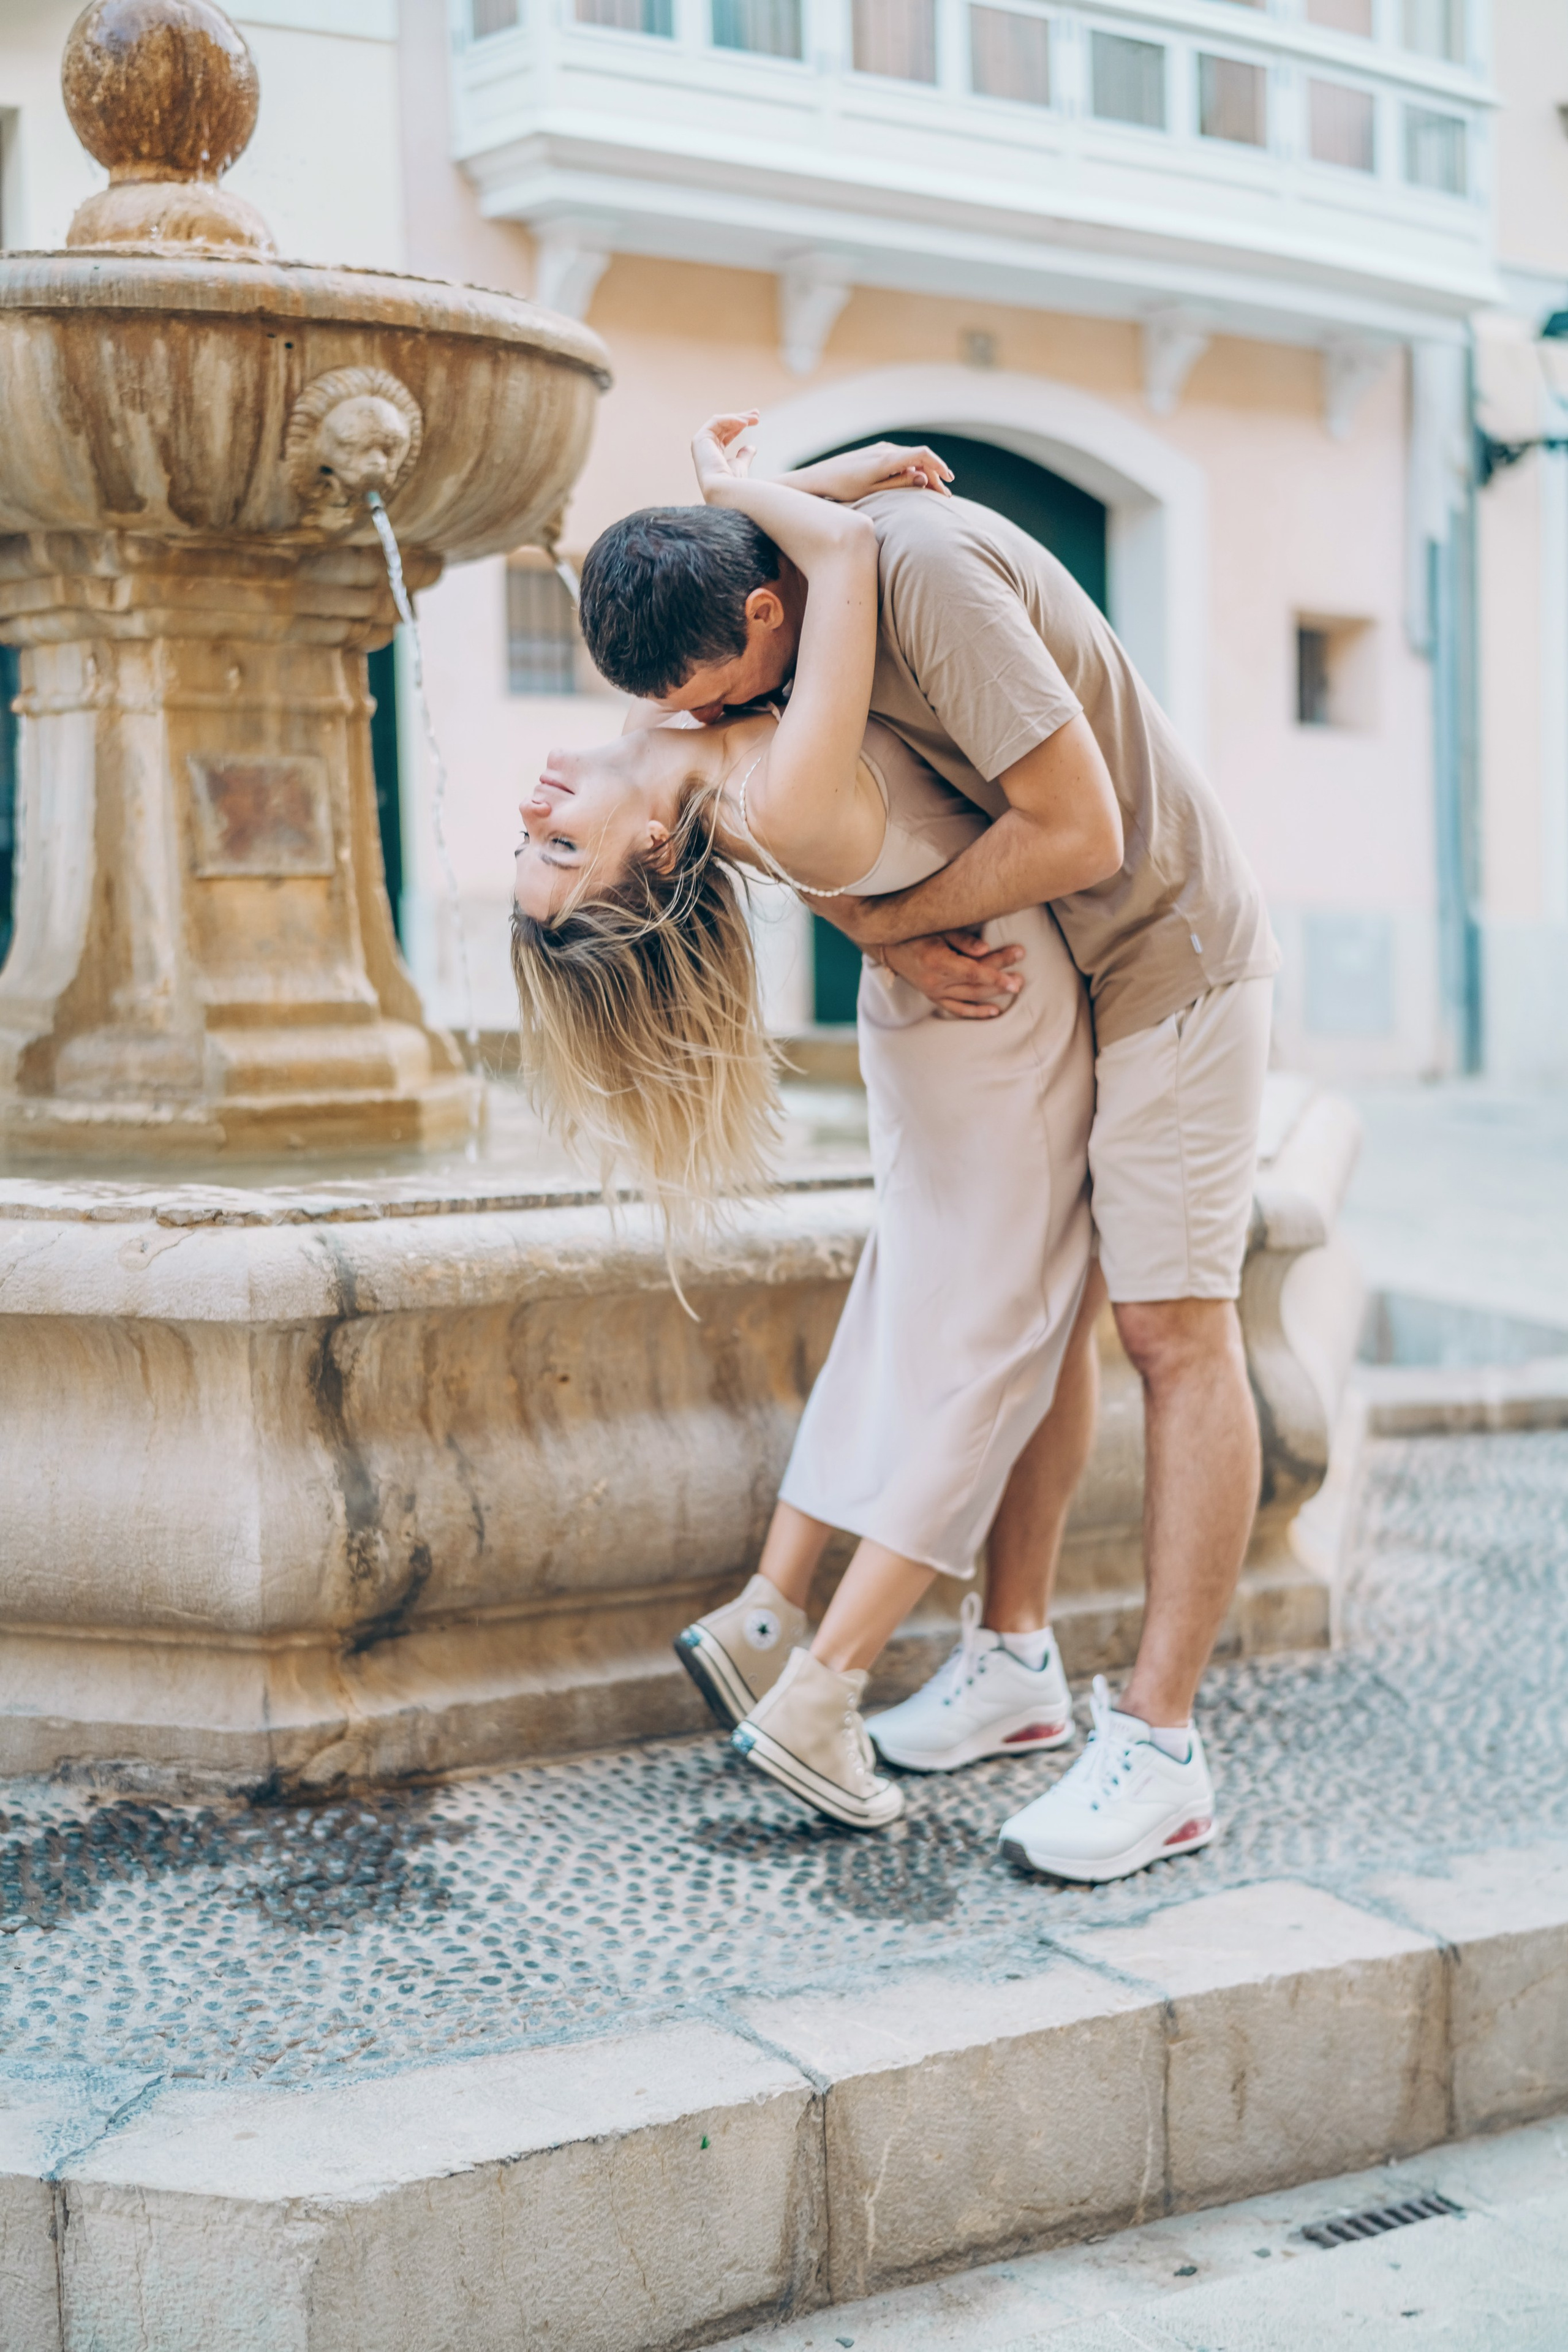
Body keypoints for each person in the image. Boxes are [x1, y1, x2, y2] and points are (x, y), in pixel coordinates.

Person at [578, 420, 1280, 1887]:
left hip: (1165, 960)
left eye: (704, 698)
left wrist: (889, 929)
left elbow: (1080, 830)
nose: (702, 724)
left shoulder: (927, 578)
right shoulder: (796, 591)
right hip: (1067, 984)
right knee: (1060, 1313)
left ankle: (1159, 1745)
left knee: (1170, 1331)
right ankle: (1011, 1662)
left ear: (759, 615)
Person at [513, 418, 1102, 1834]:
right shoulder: (755, 783)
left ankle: (772, 1611)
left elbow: (739, 589)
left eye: (530, 846)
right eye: (554, 852)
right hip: (997, 1022)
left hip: (930, 1019)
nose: (530, 813)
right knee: (990, 1361)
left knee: (909, 1312)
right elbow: (823, 563)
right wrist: (768, 485)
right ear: (646, 857)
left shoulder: (676, 740)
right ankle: (824, 1692)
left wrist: (751, 496)